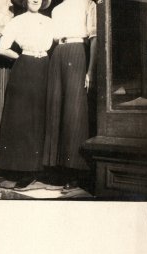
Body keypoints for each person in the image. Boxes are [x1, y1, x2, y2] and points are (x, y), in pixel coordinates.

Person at [0, 0, 53, 189]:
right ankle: (19, 170)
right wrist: (21, 58)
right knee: (21, 118)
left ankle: (37, 170)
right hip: (24, 69)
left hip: (45, 68)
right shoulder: (17, 21)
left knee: (41, 116)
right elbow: (2, 48)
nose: (35, 0)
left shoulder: (49, 22)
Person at [43, 0, 98, 191]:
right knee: (56, 108)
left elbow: (94, 39)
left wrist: (90, 71)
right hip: (57, 54)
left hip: (77, 52)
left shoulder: (88, 4)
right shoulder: (56, 10)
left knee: (74, 112)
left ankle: (75, 172)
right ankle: (58, 168)